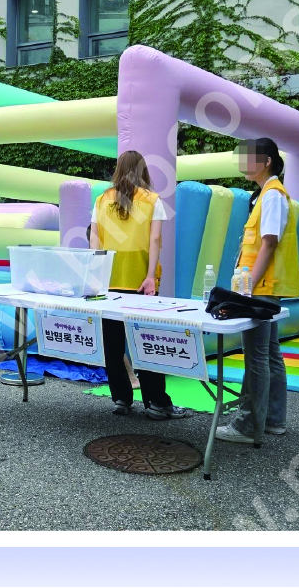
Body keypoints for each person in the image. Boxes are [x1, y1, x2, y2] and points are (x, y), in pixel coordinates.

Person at [89, 150, 190, 421]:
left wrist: (97, 274)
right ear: (143, 170)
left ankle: (121, 399)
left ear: (118, 169)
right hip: (140, 282)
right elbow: (154, 239)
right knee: (147, 344)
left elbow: (94, 240)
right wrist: (150, 276)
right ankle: (157, 402)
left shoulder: (101, 200)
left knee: (112, 345)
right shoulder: (153, 200)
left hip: (109, 281)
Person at [215, 138, 298, 445]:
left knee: (257, 356)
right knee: (270, 353)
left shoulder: (272, 195)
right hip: (263, 286)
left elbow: (269, 242)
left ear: (266, 161)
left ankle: (249, 425)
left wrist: (247, 287)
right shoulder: (267, 194)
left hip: (260, 288)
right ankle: (273, 419)